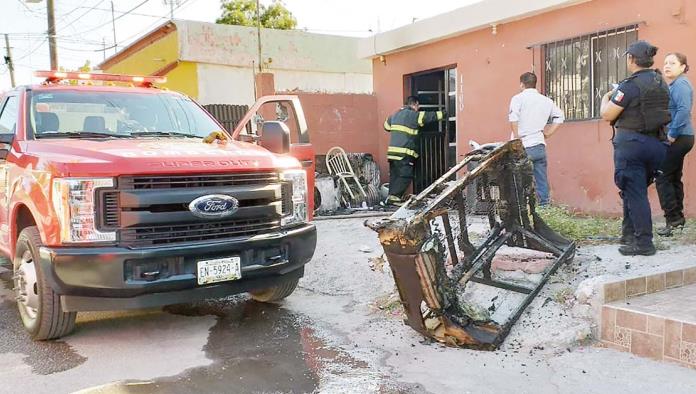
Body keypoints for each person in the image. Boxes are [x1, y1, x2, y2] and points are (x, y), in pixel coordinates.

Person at [600, 40, 671, 256]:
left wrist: (605, 98)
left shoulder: (629, 85)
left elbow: (607, 115)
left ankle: (644, 244)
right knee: (633, 192)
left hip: (633, 146)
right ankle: (629, 236)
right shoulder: (661, 82)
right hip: (657, 146)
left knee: (635, 193)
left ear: (631, 59)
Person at [508, 72, 565, 206]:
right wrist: (548, 133)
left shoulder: (518, 99)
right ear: (535, 84)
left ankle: (521, 210)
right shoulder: (546, 101)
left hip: (522, 146)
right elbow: (560, 117)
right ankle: (545, 209)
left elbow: (513, 118)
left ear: (522, 84)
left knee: (518, 181)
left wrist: (516, 138)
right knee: (541, 180)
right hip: (539, 145)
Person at [656, 52, 694, 236]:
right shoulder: (675, 85)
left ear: (682, 67)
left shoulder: (681, 84)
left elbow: (684, 110)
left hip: (680, 137)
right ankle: (677, 220)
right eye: (665, 63)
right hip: (681, 137)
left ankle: (673, 219)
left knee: (662, 175)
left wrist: (672, 134)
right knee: (673, 176)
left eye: (672, 63)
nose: (667, 66)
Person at [383, 96, 445, 206]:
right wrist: (444, 113)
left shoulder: (395, 114)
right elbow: (429, 117)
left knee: (395, 175)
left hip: (392, 153)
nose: (419, 108)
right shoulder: (414, 115)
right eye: (418, 106)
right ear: (415, 104)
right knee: (405, 175)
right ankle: (395, 197)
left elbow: (386, 126)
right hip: (405, 152)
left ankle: (391, 198)